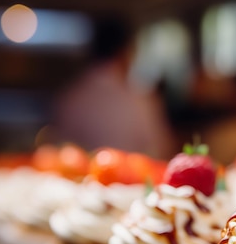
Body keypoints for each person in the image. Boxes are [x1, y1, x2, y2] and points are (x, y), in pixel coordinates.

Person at [51, 15, 176, 159]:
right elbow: (161, 152)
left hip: (80, 181)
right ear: (125, 52)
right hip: (134, 180)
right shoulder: (141, 100)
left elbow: (60, 151)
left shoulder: (70, 97)